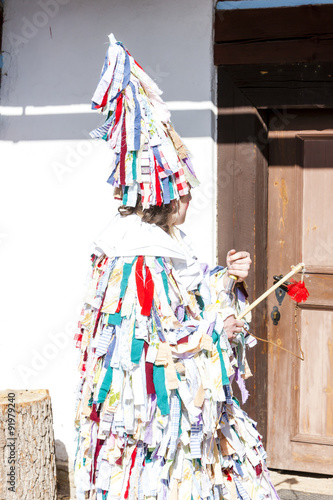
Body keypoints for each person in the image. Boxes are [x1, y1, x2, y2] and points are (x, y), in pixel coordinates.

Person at [73, 34, 280, 500]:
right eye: (183, 189)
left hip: (180, 423)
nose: (189, 196)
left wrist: (227, 278)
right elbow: (152, 345)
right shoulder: (135, 256)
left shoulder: (162, 241)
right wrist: (215, 330)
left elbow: (186, 290)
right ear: (165, 194)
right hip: (156, 426)